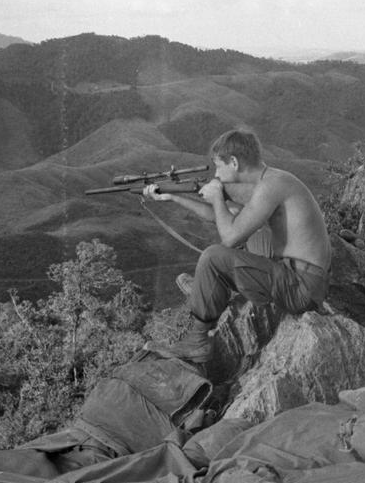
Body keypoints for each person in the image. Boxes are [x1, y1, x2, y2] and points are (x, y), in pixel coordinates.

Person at [142, 129, 331, 364]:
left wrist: (218, 198)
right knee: (249, 236)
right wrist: (172, 197)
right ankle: (208, 289)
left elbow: (230, 238)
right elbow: (223, 217)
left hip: (301, 289)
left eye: (219, 167)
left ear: (234, 162)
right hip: (300, 274)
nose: (217, 175)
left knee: (213, 256)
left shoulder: (270, 187)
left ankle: (197, 341)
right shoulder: (272, 180)